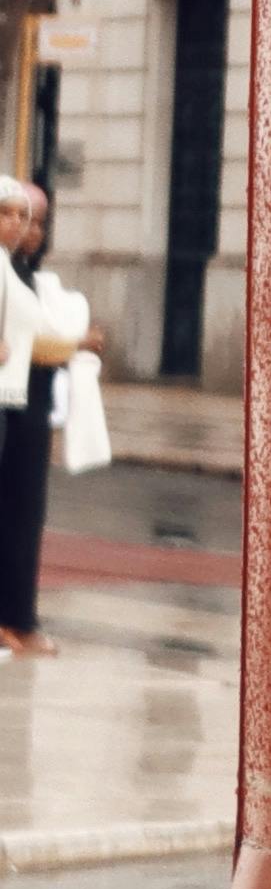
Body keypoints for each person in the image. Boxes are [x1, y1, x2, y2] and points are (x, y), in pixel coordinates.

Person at [0, 179, 77, 660]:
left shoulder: (23, 274)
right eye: (11, 214)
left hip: (20, 405)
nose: (24, 227)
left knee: (20, 514)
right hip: (12, 401)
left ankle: (14, 618)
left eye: (29, 217)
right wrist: (76, 345)